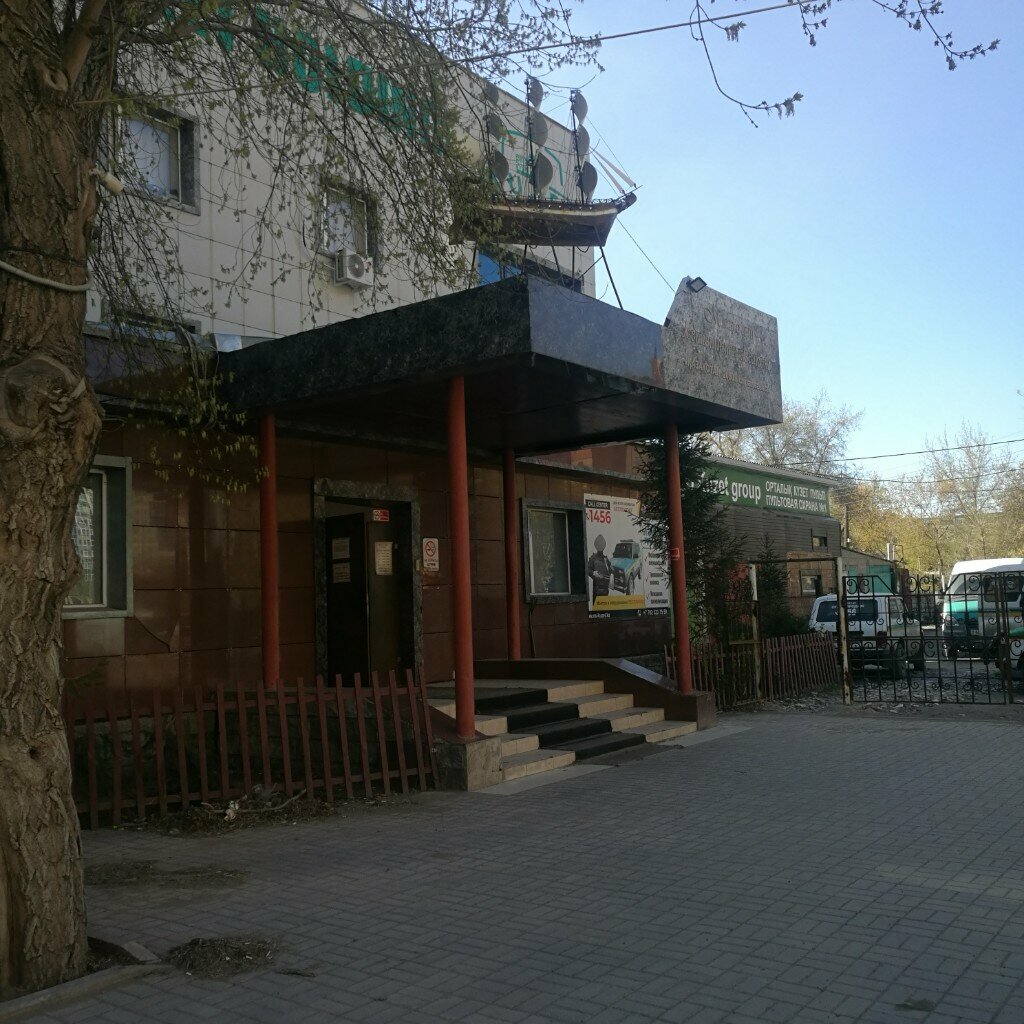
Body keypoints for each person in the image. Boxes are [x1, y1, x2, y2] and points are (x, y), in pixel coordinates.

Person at [588, 534, 612, 603]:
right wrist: (593, 573)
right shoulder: (593, 558)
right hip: (597, 590)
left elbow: (611, 570)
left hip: (605, 590)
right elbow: (587, 569)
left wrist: (612, 575)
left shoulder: (606, 559)